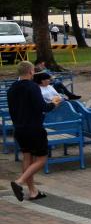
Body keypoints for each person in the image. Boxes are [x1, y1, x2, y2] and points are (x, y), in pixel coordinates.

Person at [8, 61, 59, 202]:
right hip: (34, 128)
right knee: (42, 159)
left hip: (19, 128)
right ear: (31, 72)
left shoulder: (12, 88)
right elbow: (42, 107)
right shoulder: (32, 87)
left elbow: (13, 109)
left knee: (27, 157)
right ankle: (19, 182)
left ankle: (32, 192)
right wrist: (54, 103)